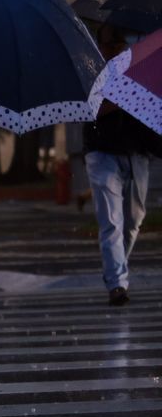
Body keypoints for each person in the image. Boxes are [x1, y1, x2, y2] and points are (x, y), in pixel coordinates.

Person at [81, 21, 159, 306]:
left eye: (119, 44)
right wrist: (121, 96)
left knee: (133, 220)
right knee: (111, 220)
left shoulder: (142, 68)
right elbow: (88, 108)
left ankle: (116, 269)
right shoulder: (91, 70)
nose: (114, 50)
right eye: (109, 44)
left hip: (137, 152)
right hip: (101, 152)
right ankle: (117, 284)